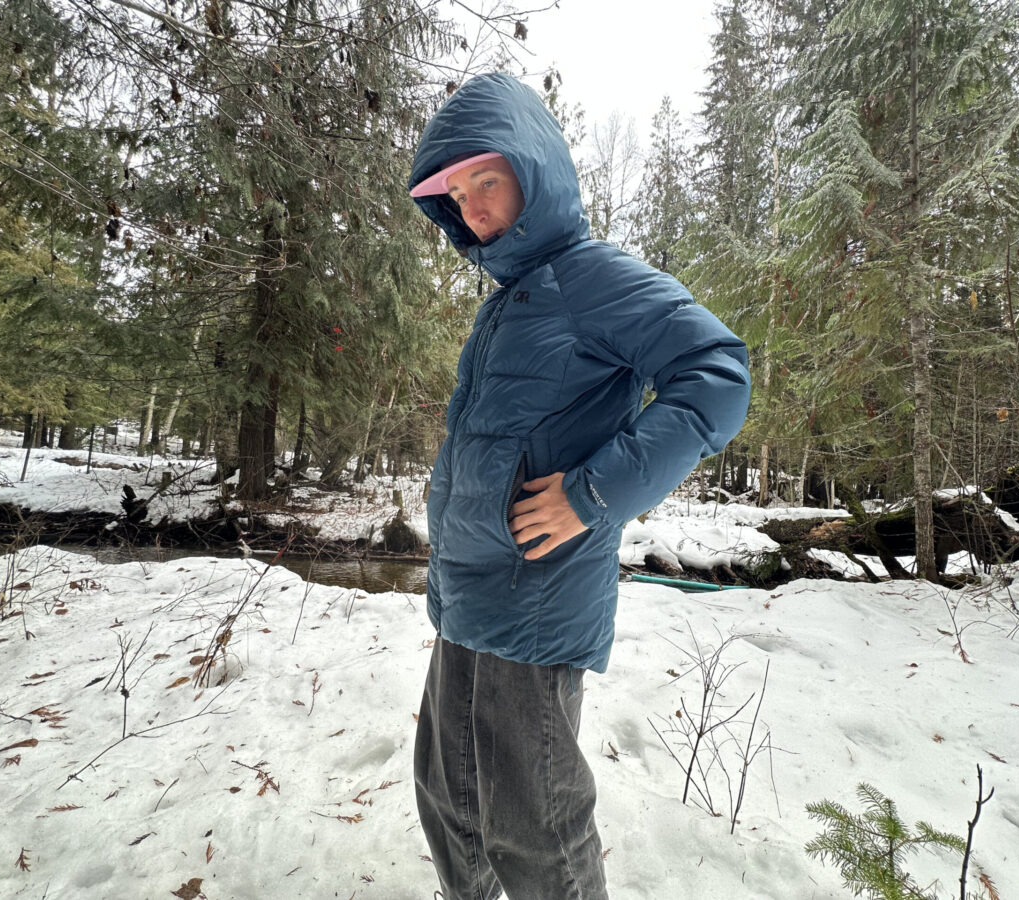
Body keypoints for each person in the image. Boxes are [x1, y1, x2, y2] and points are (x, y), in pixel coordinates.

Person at [408, 73, 750, 900]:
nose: (472, 207)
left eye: (485, 180)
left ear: (536, 172)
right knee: (449, 799)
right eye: (455, 192)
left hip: (537, 594)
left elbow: (717, 376)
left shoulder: (596, 276)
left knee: (534, 824)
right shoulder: (509, 300)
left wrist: (592, 496)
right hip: (467, 591)